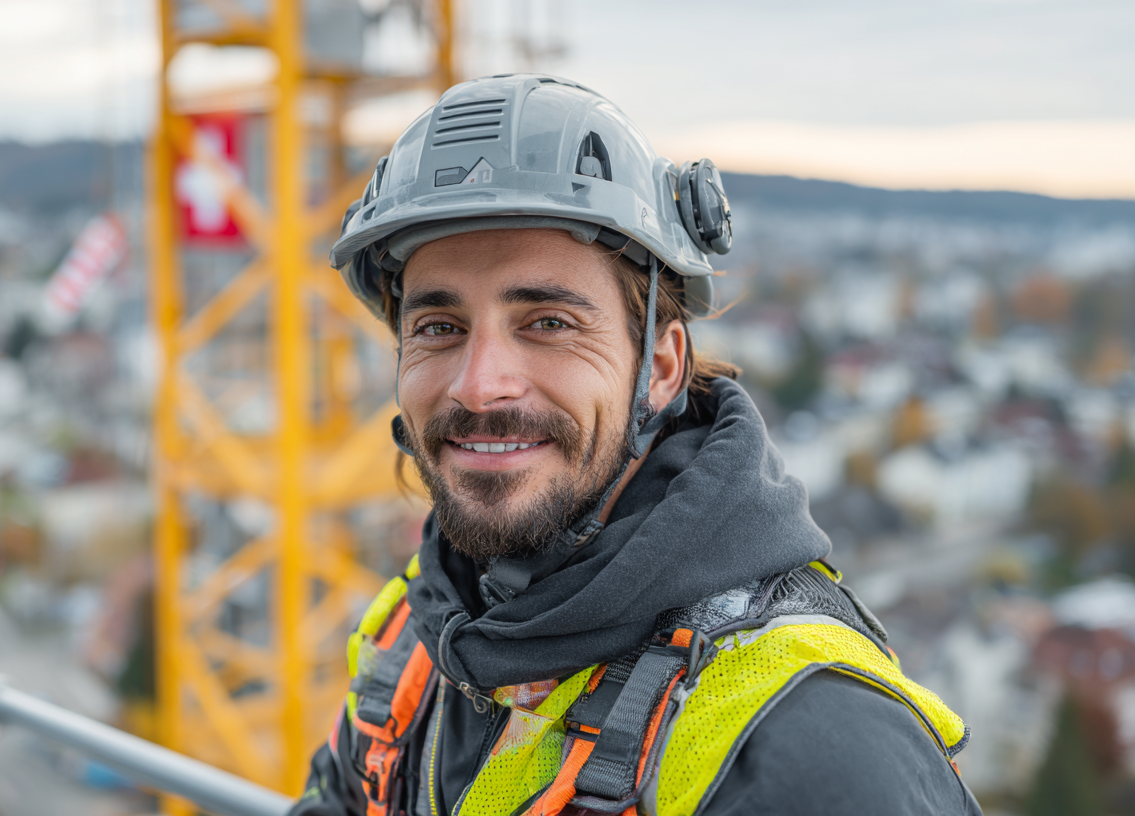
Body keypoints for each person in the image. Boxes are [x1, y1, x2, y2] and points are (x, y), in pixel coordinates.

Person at [292, 74, 981, 816]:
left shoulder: (813, 747)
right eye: (438, 327)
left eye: (548, 323)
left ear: (658, 367)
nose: (478, 385)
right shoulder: (418, 634)